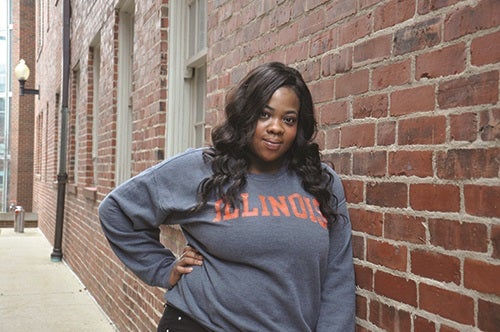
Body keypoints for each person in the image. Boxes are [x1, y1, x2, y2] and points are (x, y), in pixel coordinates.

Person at [98, 62, 355, 331]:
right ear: (246, 115)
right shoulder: (201, 169)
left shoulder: (320, 182)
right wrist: (163, 269)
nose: (276, 127)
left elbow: (338, 278)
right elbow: (116, 211)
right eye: (264, 114)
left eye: (288, 119)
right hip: (200, 323)